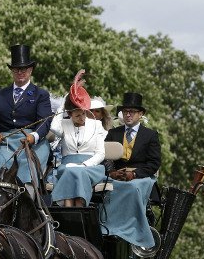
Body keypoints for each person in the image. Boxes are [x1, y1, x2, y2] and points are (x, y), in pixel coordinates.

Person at [0, 45, 52, 195]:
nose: (20, 72)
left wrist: (33, 136)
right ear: (12, 71)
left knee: (27, 167)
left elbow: (45, 121)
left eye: (24, 69)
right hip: (4, 142)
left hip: (32, 142)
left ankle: (30, 201)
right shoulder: (0, 95)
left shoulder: (40, 94)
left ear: (30, 70)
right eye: (16, 69)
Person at [97, 92, 162, 248]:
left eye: (132, 112)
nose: (128, 115)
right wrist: (111, 172)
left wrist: (135, 174)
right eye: (125, 112)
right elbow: (105, 158)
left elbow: (154, 163)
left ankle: (132, 229)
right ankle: (106, 227)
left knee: (132, 188)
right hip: (117, 175)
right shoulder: (113, 133)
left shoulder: (150, 135)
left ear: (140, 114)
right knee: (106, 187)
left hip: (141, 176)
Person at [49, 70, 107, 207]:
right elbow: (53, 128)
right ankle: (70, 214)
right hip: (66, 166)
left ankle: (77, 212)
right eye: (77, 116)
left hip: (90, 167)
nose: (82, 118)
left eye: (83, 114)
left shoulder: (96, 124)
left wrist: (84, 165)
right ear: (68, 114)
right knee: (70, 171)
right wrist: (62, 105)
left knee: (76, 172)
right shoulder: (63, 124)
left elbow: (101, 153)